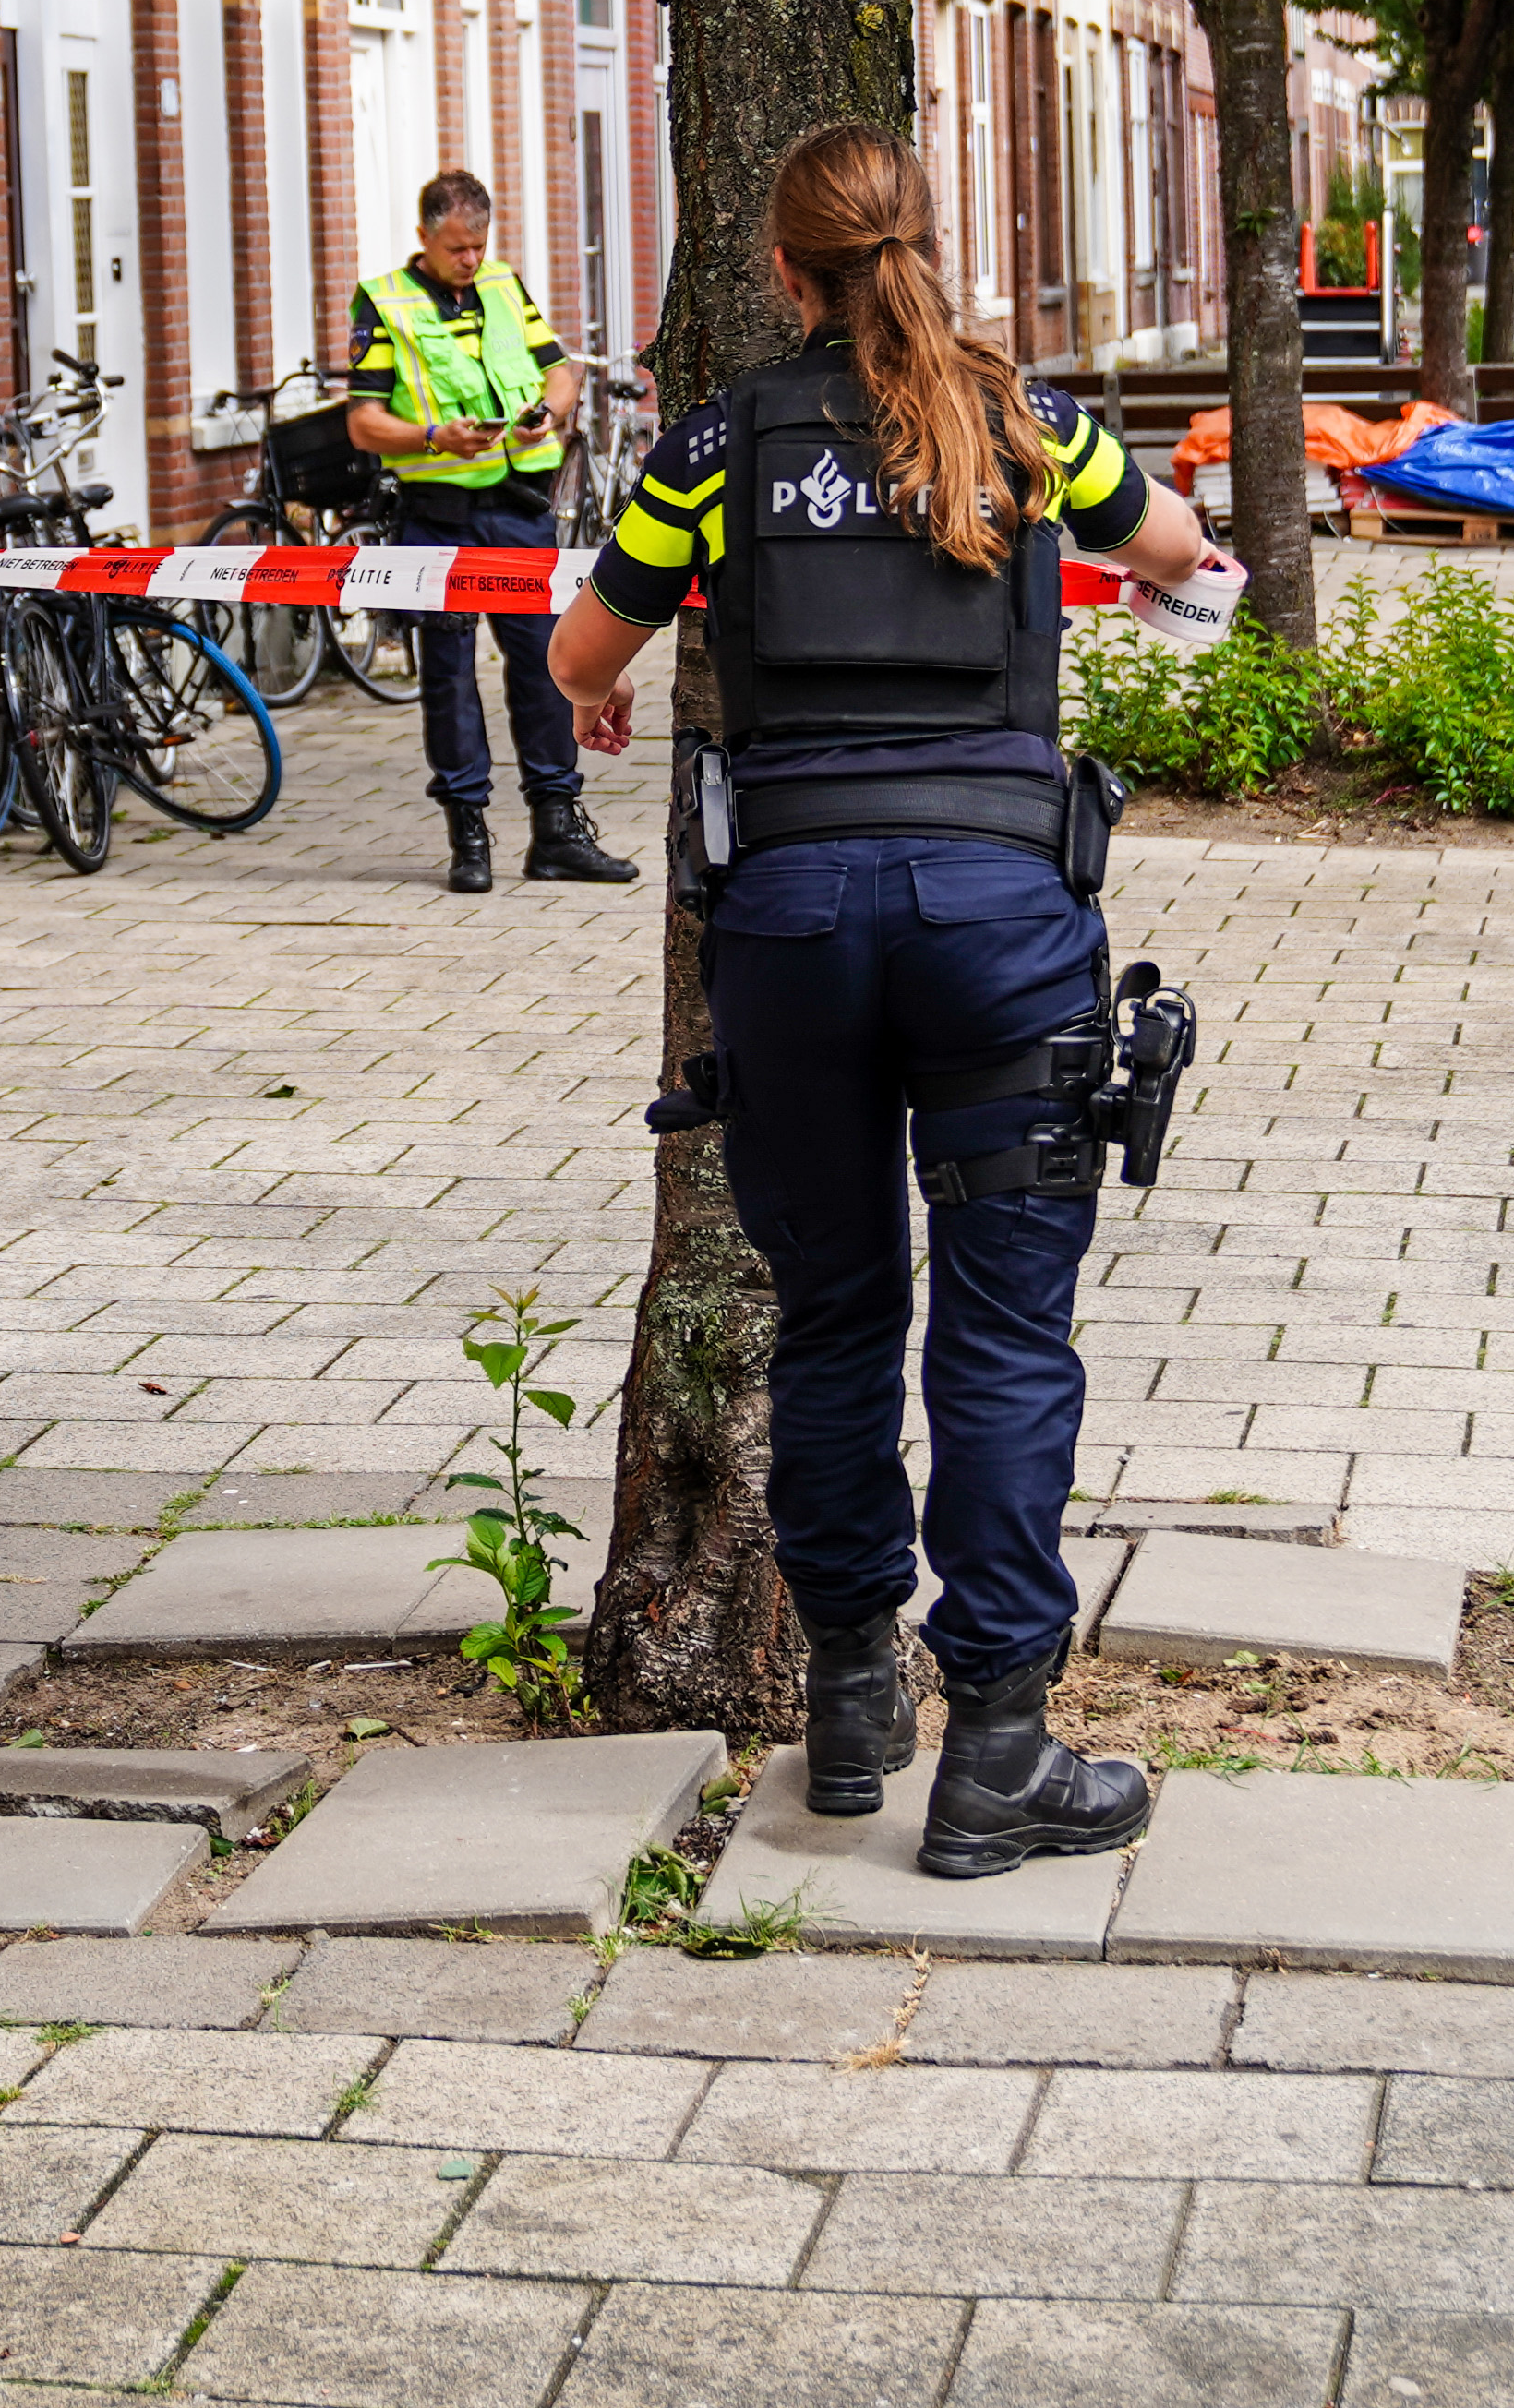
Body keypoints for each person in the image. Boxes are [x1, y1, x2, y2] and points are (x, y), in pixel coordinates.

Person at [547, 124, 1227, 1879]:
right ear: (936, 246)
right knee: (1003, 1336)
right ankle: (999, 1746)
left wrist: (620, 696)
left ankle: (851, 1694)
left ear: (782, 272)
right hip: (1000, 924)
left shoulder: (719, 441)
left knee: (839, 1315)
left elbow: (577, 654)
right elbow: (1178, 547)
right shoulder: (1028, 424)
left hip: (791, 929)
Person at [349, 170, 637, 893]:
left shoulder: (505, 285)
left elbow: (560, 370)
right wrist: (432, 435)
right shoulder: (384, 301)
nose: (470, 260)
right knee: (448, 676)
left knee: (546, 662)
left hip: (517, 507)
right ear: (423, 238)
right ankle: (467, 835)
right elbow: (362, 421)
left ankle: (557, 829)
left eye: (478, 246)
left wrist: (551, 408)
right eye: (456, 249)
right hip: (437, 516)